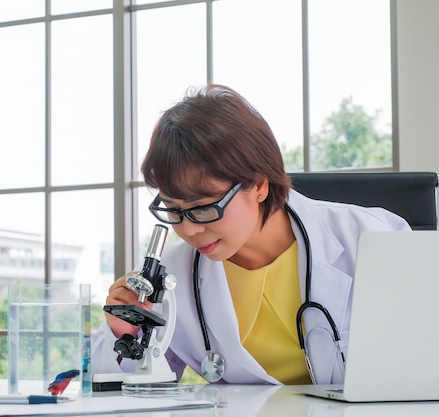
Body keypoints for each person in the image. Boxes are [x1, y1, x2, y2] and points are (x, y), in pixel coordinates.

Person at [91, 84, 410, 385]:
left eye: (203, 207)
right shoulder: (173, 275)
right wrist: (124, 336)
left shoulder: (372, 237)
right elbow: (128, 392)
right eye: (173, 209)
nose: (188, 229)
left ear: (258, 185)